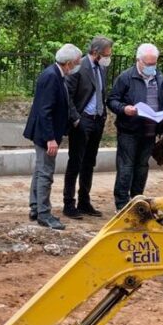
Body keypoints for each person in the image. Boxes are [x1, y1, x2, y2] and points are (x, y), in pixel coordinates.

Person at [24, 43, 83, 230]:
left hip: (45, 131)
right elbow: (45, 110)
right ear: (68, 63)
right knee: (45, 173)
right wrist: (50, 138)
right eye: (76, 63)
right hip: (45, 133)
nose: (76, 66)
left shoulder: (56, 74)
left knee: (40, 170)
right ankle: (44, 213)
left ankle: (35, 207)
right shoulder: (52, 76)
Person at [107, 43, 163, 211]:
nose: (151, 67)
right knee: (126, 166)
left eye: (154, 63)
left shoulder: (160, 79)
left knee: (142, 167)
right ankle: (121, 203)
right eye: (148, 64)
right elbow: (112, 100)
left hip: (150, 131)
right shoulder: (126, 77)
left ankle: (137, 200)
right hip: (129, 129)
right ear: (138, 61)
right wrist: (124, 109)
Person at [62, 36, 113, 219]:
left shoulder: (102, 68)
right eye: (107, 54)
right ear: (96, 53)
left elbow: (101, 92)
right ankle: (69, 203)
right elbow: (67, 96)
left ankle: (84, 201)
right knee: (75, 162)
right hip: (82, 121)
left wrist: (103, 115)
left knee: (89, 163)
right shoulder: (79, 67)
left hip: (97, 120)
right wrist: (76, 119)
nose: (109, 57)